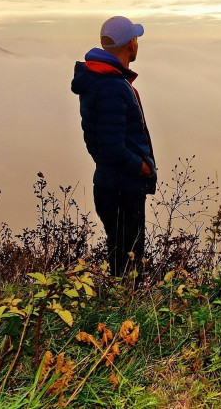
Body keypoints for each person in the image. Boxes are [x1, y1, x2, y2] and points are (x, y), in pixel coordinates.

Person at [71, 16, 157, 280]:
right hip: (122, 189)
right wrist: (142, 167)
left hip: (114, 186)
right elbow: (110, 148)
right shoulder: (111, 86)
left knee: (122, 260)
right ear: (130, 44)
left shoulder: (104, 80)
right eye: (135, 39)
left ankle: (121, 313)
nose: (137, 43)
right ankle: (125, 317)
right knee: (128, 267)